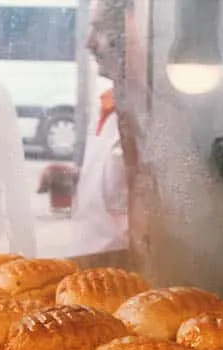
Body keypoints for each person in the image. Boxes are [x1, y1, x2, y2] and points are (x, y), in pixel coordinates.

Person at [57, 0, 133, 257]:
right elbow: (116, 188)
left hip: (127, 277)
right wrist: (78, 177)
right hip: (88, 270)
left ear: (133, 32)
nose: (89, 42)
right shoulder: (108, 105)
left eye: (101, 28)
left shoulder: (160, 119)